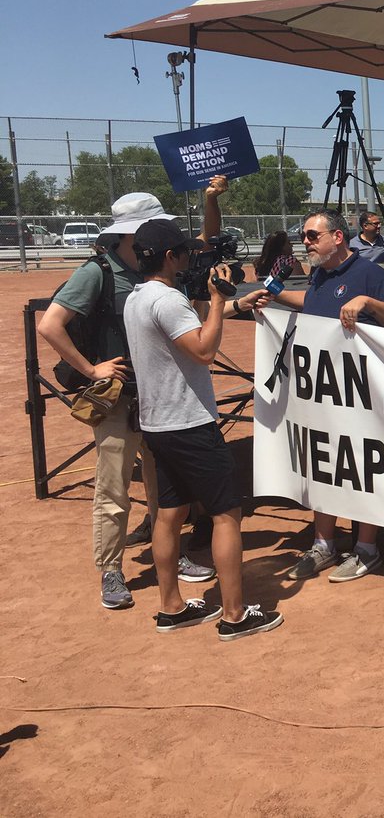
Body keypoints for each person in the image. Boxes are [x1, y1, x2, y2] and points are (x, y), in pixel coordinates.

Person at [37, 182, 226, 609]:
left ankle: (171, 557)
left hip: (156, 396)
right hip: (119, 396)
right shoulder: (98, 272)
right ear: (128, 233)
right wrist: (91, 369)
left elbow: (204, 243)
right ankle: (111, 569)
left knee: (165, 487)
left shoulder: (154, 262)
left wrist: (211, 201)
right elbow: (49, 325)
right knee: (114, 485)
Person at [123, 218, 282, 640]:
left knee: (169, 515)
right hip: (189, 423)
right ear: (170, 256)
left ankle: (172, 608)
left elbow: (185, 328)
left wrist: (233, 305)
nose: (191, 257)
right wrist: (216, 297)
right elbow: (204, 349)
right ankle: (234, 615)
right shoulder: (170, 301)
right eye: (184, 251)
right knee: (227, 514)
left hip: (157, 423)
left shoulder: (139, 298)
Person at [273, 209, 384, 583]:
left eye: (312, 235)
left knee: (361, 466)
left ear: (337, 237)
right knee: (324, 465)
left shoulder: (368, 273)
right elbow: (314, 304)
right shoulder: (321, 274)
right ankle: (323, 545)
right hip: (323, 394)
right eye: (304, 236)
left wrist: (367, 302)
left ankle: (366, 548)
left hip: (361, 394)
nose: (305, 242)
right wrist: (272, 294)